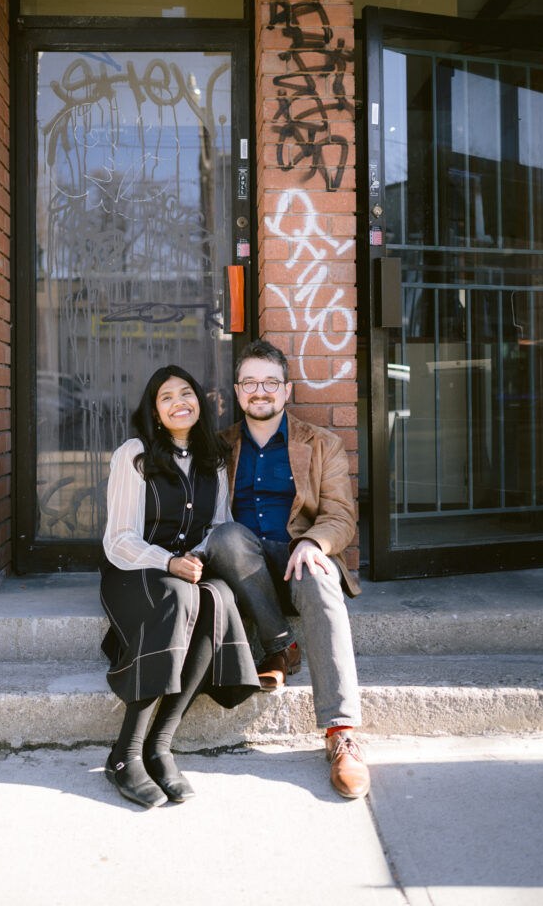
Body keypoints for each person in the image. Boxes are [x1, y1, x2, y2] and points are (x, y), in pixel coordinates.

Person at [204, 339, 370, 799]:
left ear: (287, 389)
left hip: (297, 560)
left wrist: (315, 541)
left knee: (320, 573)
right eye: (251, 383)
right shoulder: (217, 448)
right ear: (238, 392)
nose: (261, 391)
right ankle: (282, 644)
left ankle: (342, 734)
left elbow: (341, 516)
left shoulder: (322, 444)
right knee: (226, 535)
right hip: (240, 569)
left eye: (271, 383)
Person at [100, 365, 260, 808]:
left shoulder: (214, 458)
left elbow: (219, 526)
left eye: (185, 393)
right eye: (166, 397)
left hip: (189, 572)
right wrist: (169, 562)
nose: (178, 402)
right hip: (134, 573)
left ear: (199, 402)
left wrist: (197, 559)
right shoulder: (134, 454)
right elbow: (119, 540)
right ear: (154, 411)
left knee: (219, 597)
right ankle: (125, 754)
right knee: (179, 594)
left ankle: (159, 747)